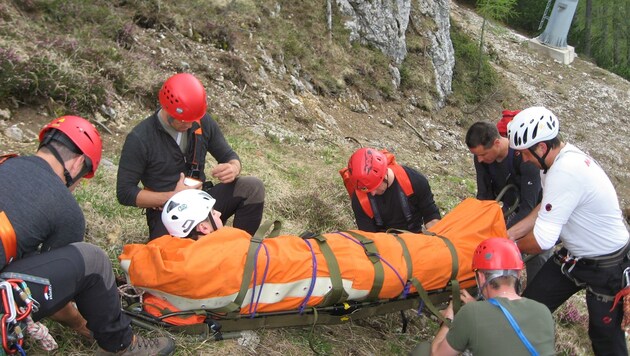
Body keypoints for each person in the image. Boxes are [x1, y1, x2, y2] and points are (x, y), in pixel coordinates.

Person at [0, 115, 174, 355]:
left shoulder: (5, 163)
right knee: (93, 260)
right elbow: (59, 297)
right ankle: (122, 345)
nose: (77, 185)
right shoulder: (66, 208)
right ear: (77, 163)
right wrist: (83, 326)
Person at [507, 106, 630, 356]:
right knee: (530, 306)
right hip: (576, 256)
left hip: (608, 265)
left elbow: (543, 240)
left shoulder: (565, 171)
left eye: (524, 153)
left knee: (605, 338)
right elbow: (545, 206)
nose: (523, 159)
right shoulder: (554, 163)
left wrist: (507, 248)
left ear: (541, 148)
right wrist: (510, 234)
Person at [116, 72, 265, 240]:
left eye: (193, 120)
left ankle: (244, 251)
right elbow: (125, 193)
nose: (189, 125)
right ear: (167, 109)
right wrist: (171, 197)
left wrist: (233, 167)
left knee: (253, 187)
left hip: (204, 202)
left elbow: (229, 155)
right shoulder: (140, 139)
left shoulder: (201, 121)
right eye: (182, 120)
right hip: (168, 214)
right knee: (173, 259)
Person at [428, 238, 555, 356]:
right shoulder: (543, 311)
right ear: (519, 273)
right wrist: (478, 308)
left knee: (422, 350)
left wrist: (448, 321)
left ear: (482, 278)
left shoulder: (471, 314)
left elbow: (437, 353)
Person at [465, 121, 551, 283]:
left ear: (497, 143)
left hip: (537, 212)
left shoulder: (524, 159)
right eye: (476, 155)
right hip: (511, 206)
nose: (480, 160)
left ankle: (535, 299)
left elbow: (528, 207)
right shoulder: (482, 159)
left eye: (483, 154)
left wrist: (501, 235)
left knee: (536, 261)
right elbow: (484, 196)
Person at [345, 148, 441, 233]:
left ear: (385, 173)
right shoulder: (359, 200)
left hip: (415, 236)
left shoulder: (414, 180)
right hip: (385, 245)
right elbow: (369, 237)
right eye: (367, 191)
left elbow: (431, 217)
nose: (372, 193)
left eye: (375, 187)